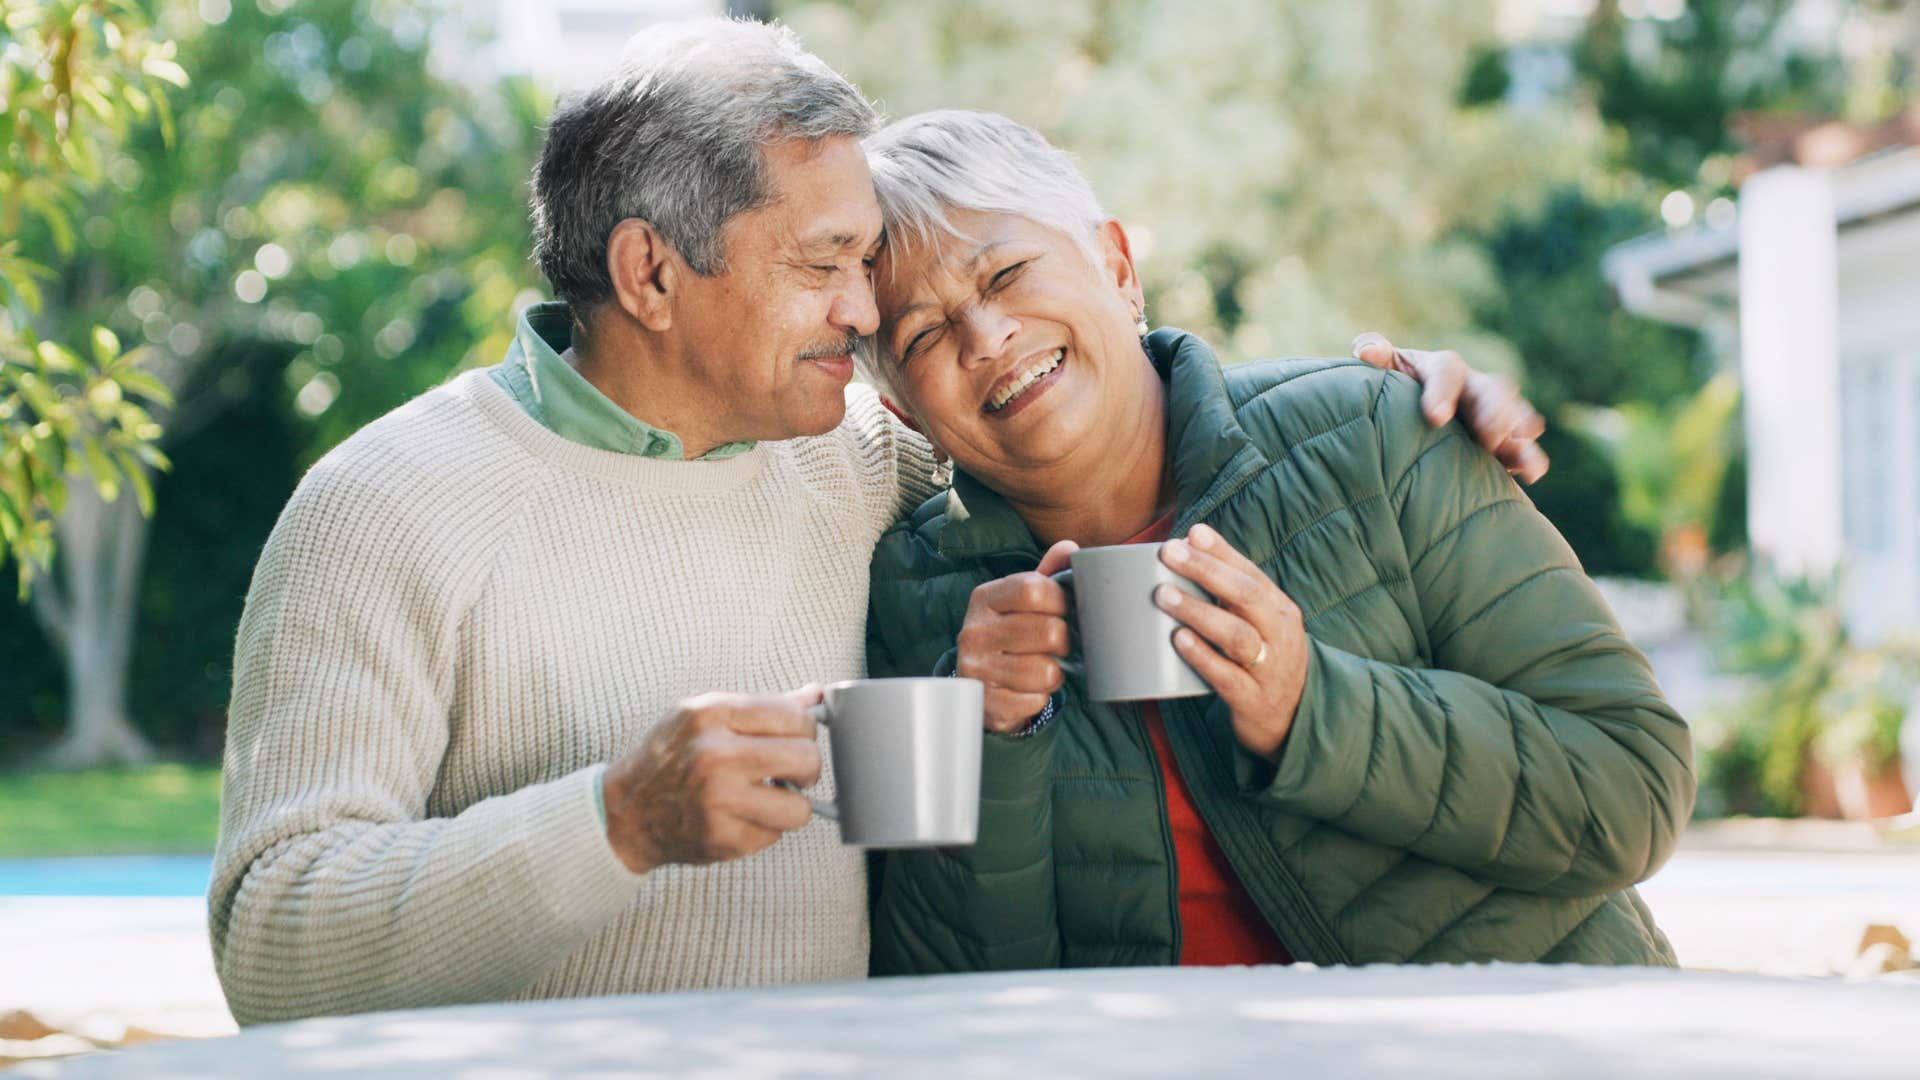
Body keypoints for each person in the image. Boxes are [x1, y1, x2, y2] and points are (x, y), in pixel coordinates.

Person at [211, 19, 1547, 1024]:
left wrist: (1387, 399)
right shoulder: (384, 507)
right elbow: (270, 948)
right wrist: (616, 822)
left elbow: (1090, 413)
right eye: (826, 266)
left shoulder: (866, 460)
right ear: (651, 272)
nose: (868, 318)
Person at [857, 110, 1693, 973]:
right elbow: (935, 991)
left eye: (1008, 273)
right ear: (900, 409)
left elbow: (1633, 791)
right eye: (922, 335)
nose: (986, 337)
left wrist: (1311, 707)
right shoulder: (909, 592)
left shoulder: (1377, 433)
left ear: (1115, 265)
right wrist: (993, 738)